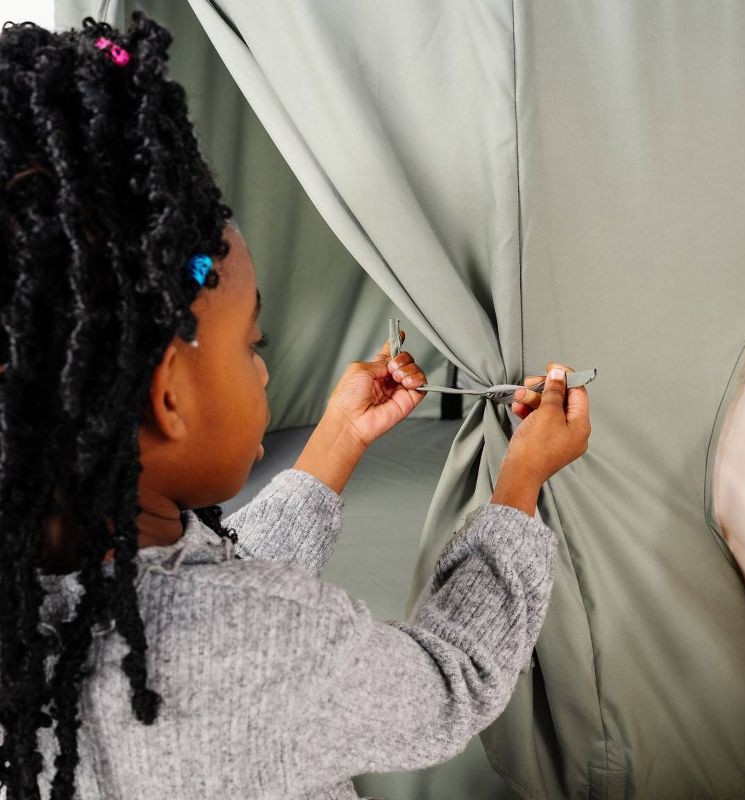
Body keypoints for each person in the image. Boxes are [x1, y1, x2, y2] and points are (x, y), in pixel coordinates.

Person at [0, 12, 591, 800]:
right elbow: (448, 682)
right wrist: (520, 485)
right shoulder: (263, 646)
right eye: (254, 343)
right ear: (166, 397)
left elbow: (206, 591)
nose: (266, 370)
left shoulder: (51, 615)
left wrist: (335, 444)